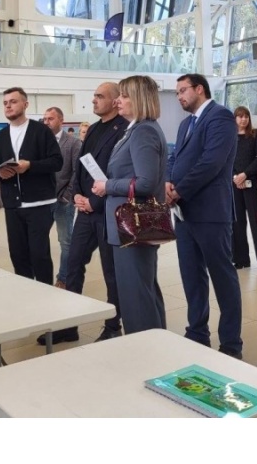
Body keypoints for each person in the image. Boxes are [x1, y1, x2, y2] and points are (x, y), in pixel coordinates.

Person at [165, 73, 243, 359]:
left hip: (210, 212)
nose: (179, 96)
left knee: (222, 276)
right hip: (184, 214)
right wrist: (167, 181)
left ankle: (231, 342)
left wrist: (179, 190)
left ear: (200, 89)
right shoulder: (186, 124)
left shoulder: (220, 117)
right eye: (177, 92)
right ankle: (197, 332)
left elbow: (211, 162)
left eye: (183, 90)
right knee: (192, 276)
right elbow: (174, 157)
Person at [44, 82, 128, 345]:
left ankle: (113, 326)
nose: (93, 100)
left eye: (99, 96)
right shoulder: (92, 129)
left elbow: (117, 173)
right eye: (94, 96)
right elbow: (82, 165)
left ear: (114, 100)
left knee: (111, 271)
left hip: (107, 211)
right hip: (85, 210)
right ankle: (69, 325)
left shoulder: (124, 129)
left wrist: (94, 201)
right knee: (73, 264)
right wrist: (78, 195)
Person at [91, 75, 167, 334]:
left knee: (136, 297)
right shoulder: (137, 129)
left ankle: (144, 347)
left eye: (124, 96)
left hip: (132, 226)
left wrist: (108, 186)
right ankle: (155, 342)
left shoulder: (143, 131)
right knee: (143, 291)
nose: (118, 101)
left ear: (139, 99)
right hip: (128, 226)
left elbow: (146, 182)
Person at [0, 87, 63, 284]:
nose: (8, 106)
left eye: (13, 102)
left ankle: (45, 291)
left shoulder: (41, 131)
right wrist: (0, 172)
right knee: (18, 254)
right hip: (12, 205)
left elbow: (57, 162)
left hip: (38, 204)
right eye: (5, 103)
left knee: (39, 254)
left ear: (25, 104)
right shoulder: (1, 136)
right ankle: (26, 291)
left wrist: (30, 165)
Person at [41, 106, 81, 288]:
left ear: (61, 121)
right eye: (45, 119)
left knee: (65, 241)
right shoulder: (41, 142)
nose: (46, 122)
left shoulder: (72, 143)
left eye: (50, 119)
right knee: (40, 239)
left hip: (62, 201)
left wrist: (67, 195)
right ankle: (43, 276)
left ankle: (63, 278)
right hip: (43, 200)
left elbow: (77, 171)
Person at [231, 106, 257, 271]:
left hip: (251, 183)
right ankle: (240, 259)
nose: (243, 119)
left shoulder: (255, 135)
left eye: (246, 116)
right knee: (237, 223)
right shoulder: (229, 137)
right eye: (240, 116)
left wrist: (245, 174)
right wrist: (235, 177)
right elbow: (226, 159)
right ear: (235, 118)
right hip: (234, 184)